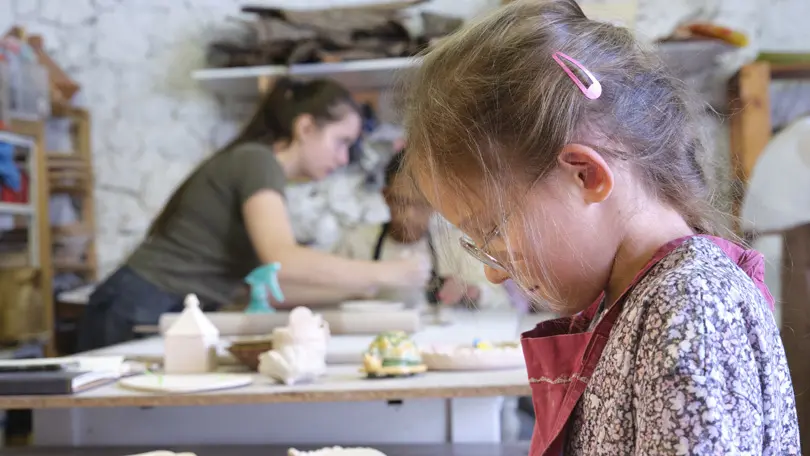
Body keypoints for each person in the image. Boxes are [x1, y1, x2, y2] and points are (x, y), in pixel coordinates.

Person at [399, 1, 800, 454]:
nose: (494, 272)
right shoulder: (636, 298)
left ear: (585, 175)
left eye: (491, 227)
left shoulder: (692, 308)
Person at [77, 78, 430, 351]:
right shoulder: (257, 162)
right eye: (341, 141)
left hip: (153, 304)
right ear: (305, 128)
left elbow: (276, 285)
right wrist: (388, 272)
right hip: (136, 305)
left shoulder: (261, 170)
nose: (342, 159)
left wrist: (364, 288)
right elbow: (284, 262)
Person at [332, 152, 511, 309]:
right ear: (386, 197)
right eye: (400, 202)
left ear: (435, 204)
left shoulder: (456, 245)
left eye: (419, 204)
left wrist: (471, 292)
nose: (408, 215)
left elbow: (502, 302)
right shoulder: (355, 242)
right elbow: (329, 294)